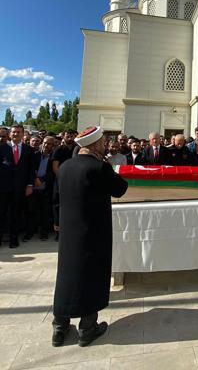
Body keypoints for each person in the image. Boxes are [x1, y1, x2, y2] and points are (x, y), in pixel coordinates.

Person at [52, 126, 128, 347]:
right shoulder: (99, 167)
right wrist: (106, 165)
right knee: (91, 274)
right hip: (93, 232)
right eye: (103, 142)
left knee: (66, 275)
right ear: (95, 145)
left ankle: (60, 327)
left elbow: (59, 197)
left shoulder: (65, 166)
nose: (106, 145)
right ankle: (87, 328)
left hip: (68, 233)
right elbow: (120, 188)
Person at [0, 125, 35, 247]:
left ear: (23, 134)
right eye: (13, 132)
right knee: (1, 213)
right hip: (3, 188)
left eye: (18, 132)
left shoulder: (28, 150)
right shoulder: (2, 148)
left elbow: (31, 170)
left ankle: (13, 239)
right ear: (10, 134)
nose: (16, 134)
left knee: (16, 214)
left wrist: (30, 185)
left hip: (20, 188)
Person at [24, 135, 56, 241]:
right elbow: (29, 168)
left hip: (46, 189)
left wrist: (41, 180)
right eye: (45, 143)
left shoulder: (53, 157)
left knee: (45, 212)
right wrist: (34, 179)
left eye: (49, 144)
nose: (47, 145)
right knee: (31, 211)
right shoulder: (35, 155)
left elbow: (53, 172)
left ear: (53, 145)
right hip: (33, 188)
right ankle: (29, 232)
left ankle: (44, 233)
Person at [52, 129, 77, 240]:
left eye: (72, 136)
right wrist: (63, 179)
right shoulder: (58, 150)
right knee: (58, 207)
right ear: (64, 136)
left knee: (72, 207)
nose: (70, 138)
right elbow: (55, 167)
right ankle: (58, 232)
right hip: (60, 183)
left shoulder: (78, 150)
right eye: (68, 135)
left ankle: (70, 230)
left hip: (75, 183)